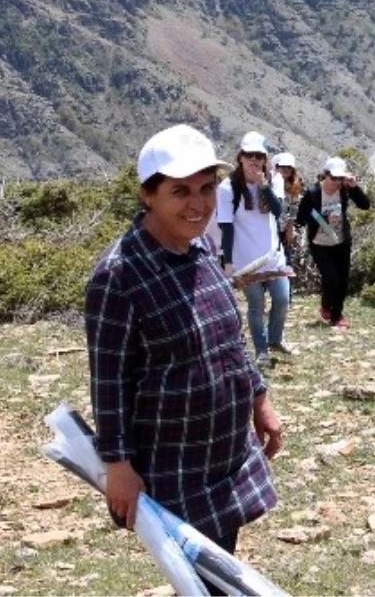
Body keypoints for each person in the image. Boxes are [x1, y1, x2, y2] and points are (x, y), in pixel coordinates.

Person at [84, 124, 282, 596]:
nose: (198, 204)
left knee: (214, 573)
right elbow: (107, 381)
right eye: (180, 191)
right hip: (176, 464)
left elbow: (229, 340)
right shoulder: (120, 275)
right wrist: (118, 465)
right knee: (204, 582)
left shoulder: (200, 249)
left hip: (226, 454)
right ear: (147, 195)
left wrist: (260, 400)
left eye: (206, 188)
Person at [217, 132, 292, 367]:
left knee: (282, 300)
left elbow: (278, 211)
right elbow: (226, 227)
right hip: (245, 259)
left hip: (272, 256)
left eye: (259, 155)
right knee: (256, 305)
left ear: (265, 159)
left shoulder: (274, 180)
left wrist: (264, 186)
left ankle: (275, 338)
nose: (254, 160)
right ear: (241, 157)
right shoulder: (228, 188)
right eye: (249, 155)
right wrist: (228, 263)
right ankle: (261, 350)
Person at [296, 155, 371, 327]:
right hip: (319, 242)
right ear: (325, 175)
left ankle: (336, 315)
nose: (337, 181)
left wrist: (354, 187)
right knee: (330, 277)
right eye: (334, 177)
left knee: (343, 279)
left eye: (341, 178)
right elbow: (301, 217)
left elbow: (365, 205)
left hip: (341, 241)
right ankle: (325, 305)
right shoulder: (313, 193)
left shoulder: (344, 190)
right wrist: (322, 218)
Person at [272, 152, 303, 264]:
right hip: (269, 230)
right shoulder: (269, 184)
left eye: (289, 167)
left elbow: (294, 208)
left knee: (286, 262)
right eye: (282, 167)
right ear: (276, 167)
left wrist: (290, 227)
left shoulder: (293, 187)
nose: (286, 169)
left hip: (283, 230)